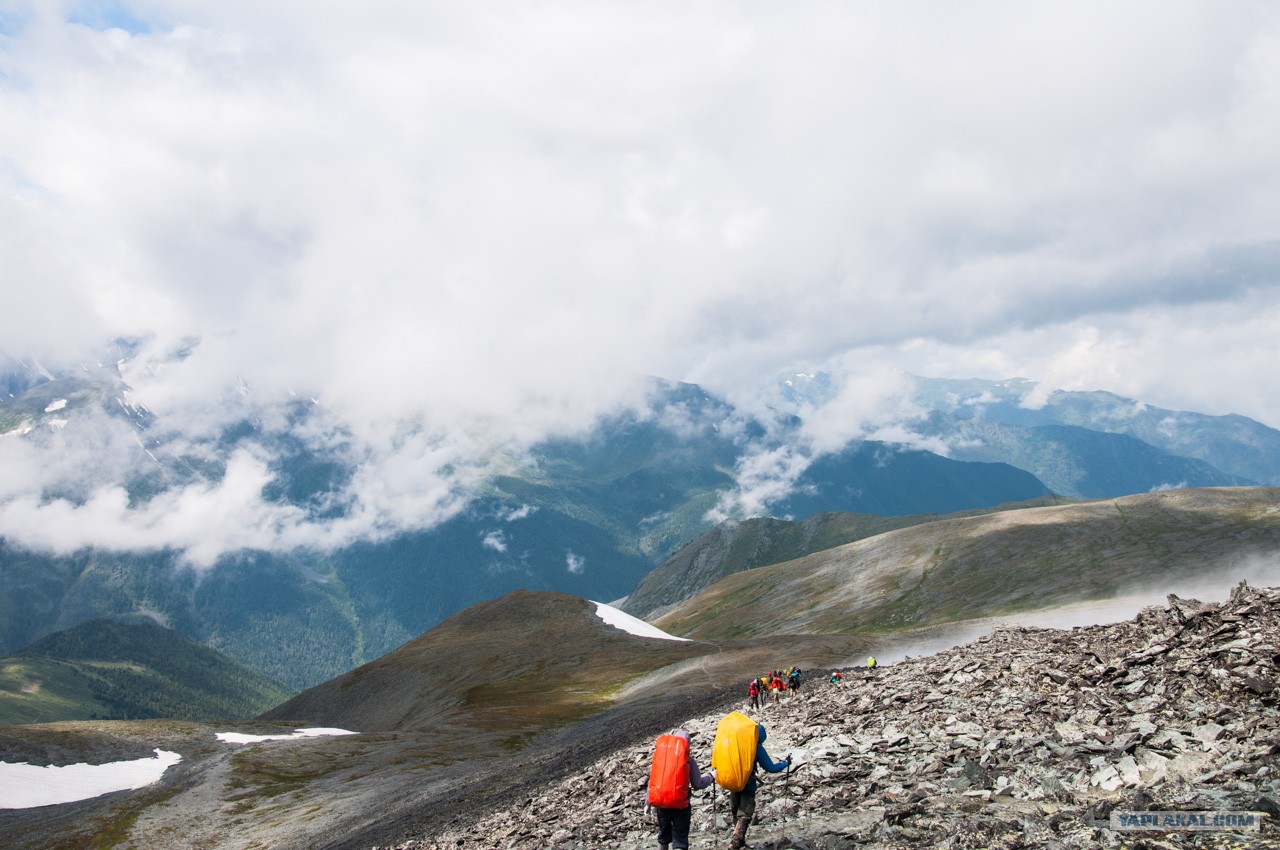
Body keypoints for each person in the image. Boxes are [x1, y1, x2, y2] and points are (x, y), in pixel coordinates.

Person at [726, 722, 790, 850]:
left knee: (735, 811)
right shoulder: (756, 747)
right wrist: (785, 763)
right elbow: (771, 768)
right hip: (748, 785)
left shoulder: (737, 744)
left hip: (733, 783)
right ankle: (736, 842)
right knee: (744, 814)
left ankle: (738, 839)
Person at [652, 730, 714, 850]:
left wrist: (647, 802)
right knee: (680, 839)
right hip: (681, 805)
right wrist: (711, 776)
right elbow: (698, 784)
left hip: (662, 804)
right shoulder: (689, 760)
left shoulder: (661, 757)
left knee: (663, 838)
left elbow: (654, 780)